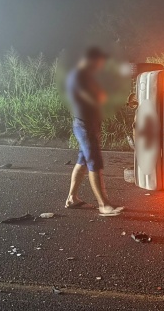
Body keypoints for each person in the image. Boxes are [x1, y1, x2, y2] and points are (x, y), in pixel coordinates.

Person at [64, 47, 123, 216]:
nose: (100, 67)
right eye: (99, 63)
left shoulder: (84, 76)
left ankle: (71, 198)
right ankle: (104, 205)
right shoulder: (78, 76)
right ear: (92, 60)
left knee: (83, 161)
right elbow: (93, 98)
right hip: (84, 124)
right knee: (94, 162)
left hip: (87, 123)